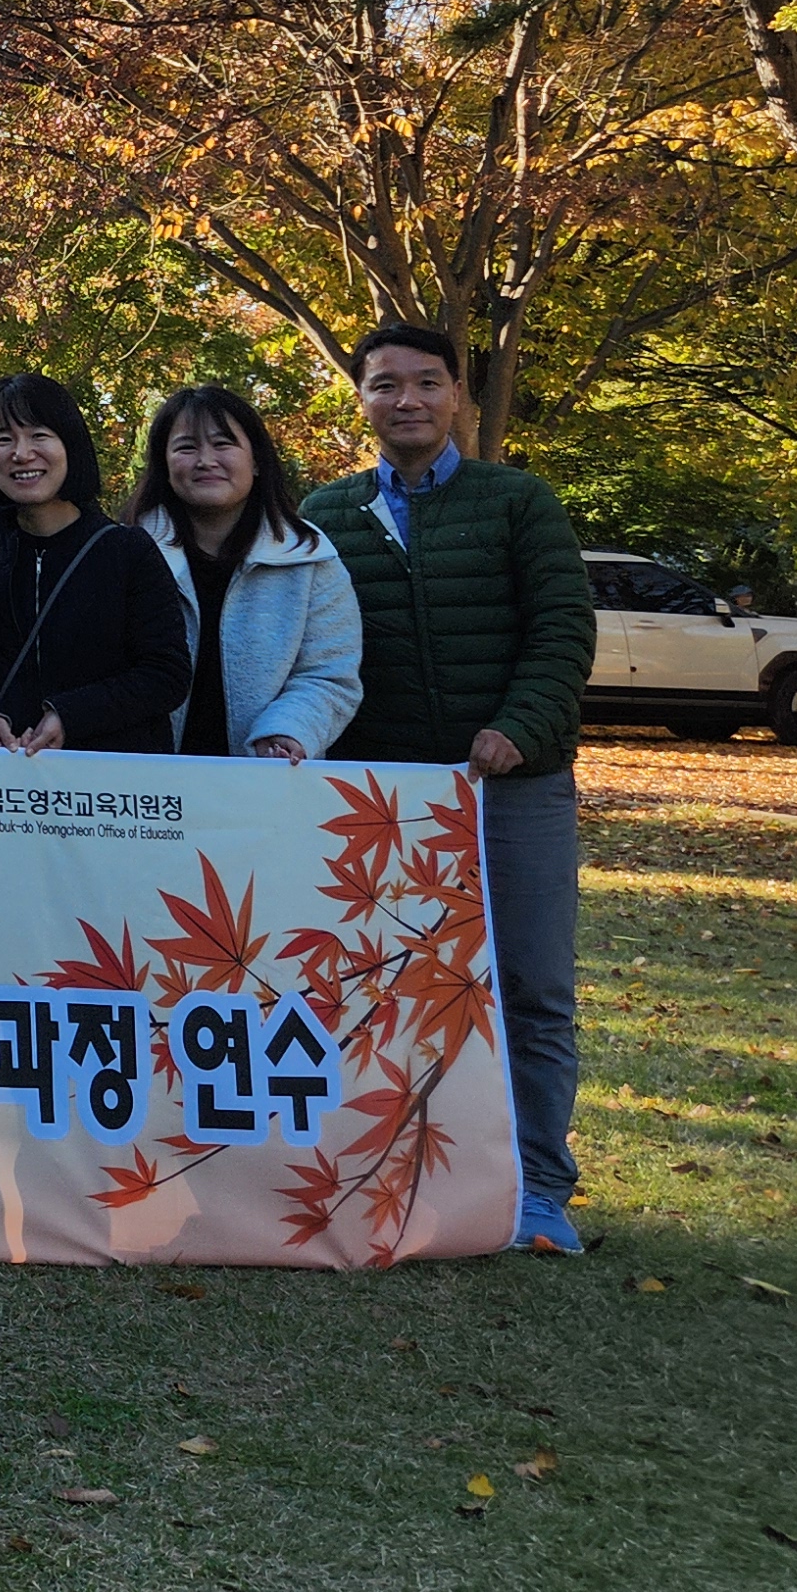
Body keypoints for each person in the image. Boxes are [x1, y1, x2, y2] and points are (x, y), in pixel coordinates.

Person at [297, 322, 596, 1255]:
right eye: (385, 385)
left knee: (530, 989)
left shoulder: (518, 501)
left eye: (426, 383)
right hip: (379, 802)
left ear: (458, 395)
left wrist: (518, 728)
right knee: (382, 994)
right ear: (363, 401)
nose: (407, 401)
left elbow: (562, 632)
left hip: (513, 791)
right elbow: (313, 649)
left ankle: (540, 1189)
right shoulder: (325, 512)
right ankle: (387, 1169)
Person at [0, 372, 189, 754]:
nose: (21, 453)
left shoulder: (127, 550)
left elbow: (166, 674)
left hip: (107, 782)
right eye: (3, 438)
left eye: (39, 435)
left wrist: (69, 714)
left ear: (70, 444)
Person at [126, 384, 363, 761]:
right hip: (148, 782)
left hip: (266, 782)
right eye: (187, 447)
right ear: (164, 465)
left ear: (255, 461)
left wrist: (288, 732)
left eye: (223, 444)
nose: (206, 460)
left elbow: (328, 675)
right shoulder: (124, 552)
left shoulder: (309, 557)